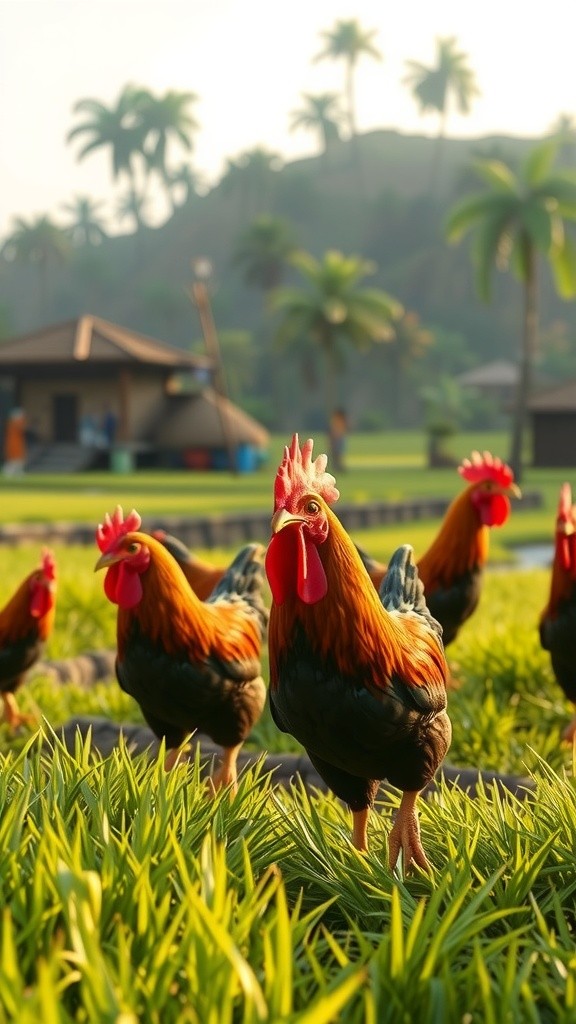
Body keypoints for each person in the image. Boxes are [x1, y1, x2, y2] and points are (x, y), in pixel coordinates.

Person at [3, 408, 26, 475]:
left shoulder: (13, 423)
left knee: (19, 461)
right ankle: (9, 472)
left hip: (17, 444)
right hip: (13, 445)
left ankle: (18, 472)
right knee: (13, 461)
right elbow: (20, 427)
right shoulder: (13, 424)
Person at [328, 408, 348, 473]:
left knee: (338, 454)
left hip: (338, 439)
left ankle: (338, 467)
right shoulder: (337, 421)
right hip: (338, 439)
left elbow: (335, 431)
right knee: (336, 454)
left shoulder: (338, 421)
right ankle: (337, 467)